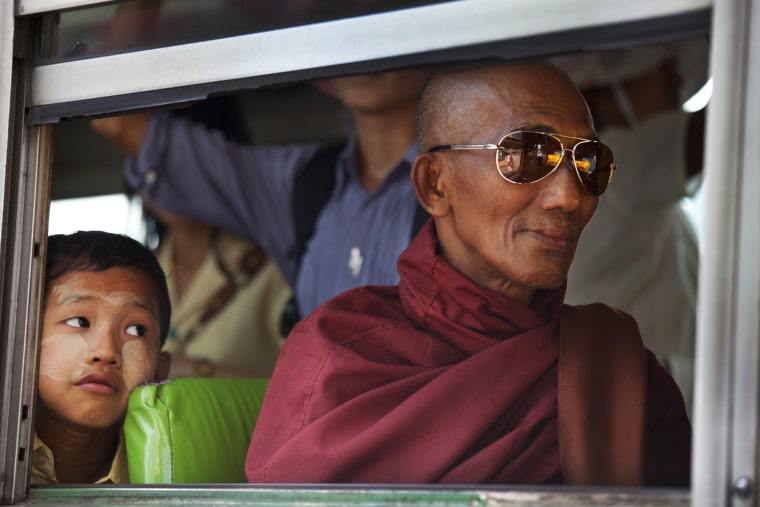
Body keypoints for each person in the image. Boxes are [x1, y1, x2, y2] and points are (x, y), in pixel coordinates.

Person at [244, 60, 691, 486]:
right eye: (527, 156)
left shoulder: (615, 369)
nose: (569, 198)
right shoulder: (334, 358)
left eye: (588, 164)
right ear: (434, 185)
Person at [91, 68, 430, 325]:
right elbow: (116, 119)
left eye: (383, 7)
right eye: (348, 15)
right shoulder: (302, 184)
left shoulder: (469, 184)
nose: (363, 41)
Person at [553, 39, 707, 411]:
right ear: (613, 84)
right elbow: (722, 126)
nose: (678, 86)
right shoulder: (612, 166)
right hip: (634, 396)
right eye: (665, 72)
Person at [139, 97, 292, 379]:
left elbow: (304, 392)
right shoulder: (134, 276)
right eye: (147, 159)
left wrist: (200, 370)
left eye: (182, 161)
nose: (162, 174)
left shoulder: (274, 267)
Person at [33, 231, 171, 484]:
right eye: (79, 321)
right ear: (23, 346)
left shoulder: (171, 469)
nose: (106, 352)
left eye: (136, 330)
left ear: (160, 370)